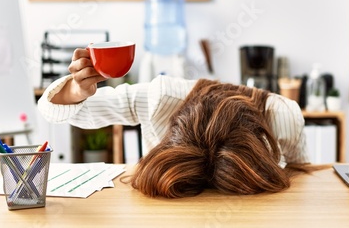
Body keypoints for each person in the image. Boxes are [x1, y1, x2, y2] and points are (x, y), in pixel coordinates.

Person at [38, 48, 312, 198]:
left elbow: (303, 177)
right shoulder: (159, 98)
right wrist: (76, 91)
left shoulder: (282, 114)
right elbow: (56, 109)